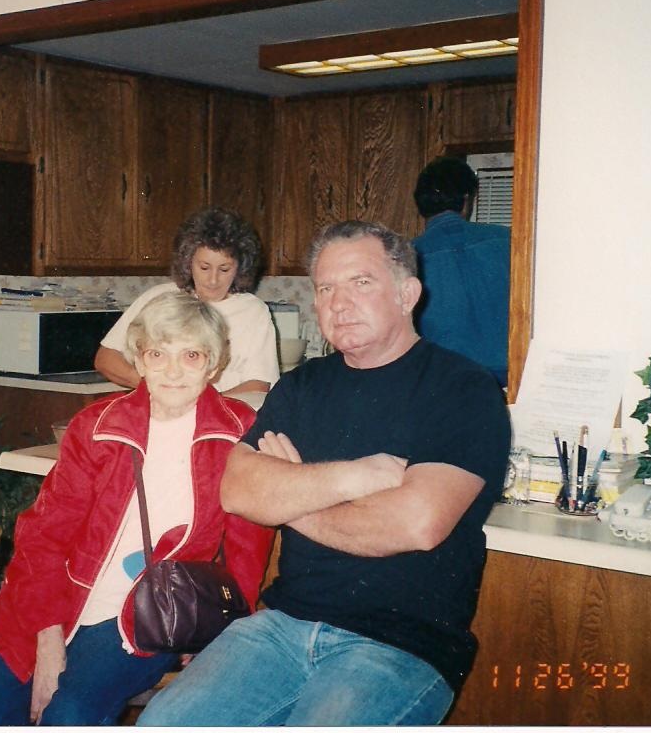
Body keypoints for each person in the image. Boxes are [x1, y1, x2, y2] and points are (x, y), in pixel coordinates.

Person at [138, 220, 511, 727]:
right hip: (280, 627)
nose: (339, 303)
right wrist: (353, 478)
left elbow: (415, 524)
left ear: (407, 294)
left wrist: (290, 496)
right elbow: (238, 489)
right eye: (325, 288)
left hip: (399, 646)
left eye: (361, 282)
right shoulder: (301, 386)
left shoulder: (463, 389)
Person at [0, 291, 274, 726]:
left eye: (191, 355)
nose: (173, 371)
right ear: (139, 360)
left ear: (214, 364)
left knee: (68, 712)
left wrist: (218, 632)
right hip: (52, 595)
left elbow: (247, 551)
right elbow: (43, 535)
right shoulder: (98, 426)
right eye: (158, 354)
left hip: (147, 612)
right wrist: (47, 640)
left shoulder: (238, 432)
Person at [95, 207, 279, 395]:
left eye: (224, 269)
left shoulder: (253, 311)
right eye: (204, 267)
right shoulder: (159, 298)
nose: (213, 280)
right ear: (188, 262)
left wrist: (201, 405)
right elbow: (106, 359)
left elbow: (259, 385)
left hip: (224, 411)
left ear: (240, 268)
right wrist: (160, 388)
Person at [411, 156, 511, 387]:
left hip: (443, 384)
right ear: (466, 200)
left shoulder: (406, 256)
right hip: (511, 383)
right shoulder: (509, 241)